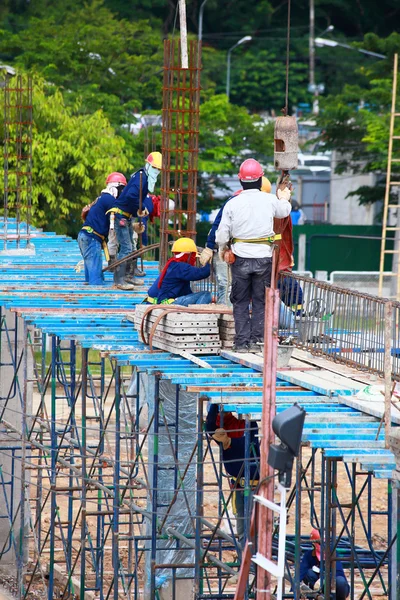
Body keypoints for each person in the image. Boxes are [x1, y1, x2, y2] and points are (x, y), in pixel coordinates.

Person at [215, 158, 292, 353]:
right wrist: (284, 196)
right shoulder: (269, 200)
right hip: (263, 259)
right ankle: (257, 343)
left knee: (240, 302)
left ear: (241, 181)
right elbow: (284, 211)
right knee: (260, 302)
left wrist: (223, 249)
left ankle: (241, 344)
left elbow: (222, 233)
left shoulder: (233, 203)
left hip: (240, 259)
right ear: (260, 180)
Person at [199, 177, 272, 306]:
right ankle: (224, 316)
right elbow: (218, 224)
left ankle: (231, 316)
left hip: (235, 250)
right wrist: (210, 247)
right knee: (225, 283)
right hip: (221, 247)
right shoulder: (235, 201)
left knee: (233, 285)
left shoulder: (253, 205)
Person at [205, 404, 259, 547]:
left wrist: (230, 442)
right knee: (242, 530)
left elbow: (246, 444)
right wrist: (215, 403)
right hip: (238, 487)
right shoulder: (221, 432)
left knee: (253, 530)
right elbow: (209, 427)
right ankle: (245, 566)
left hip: (254, 486)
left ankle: (254, 565)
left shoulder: (247, 425)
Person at [108, 152, 162, 290]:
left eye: (159, 169)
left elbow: (135, 199)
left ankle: (128, 276)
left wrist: (137, 214)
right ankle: (119, 280)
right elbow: (132, 197)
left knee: (131, 248)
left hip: (126, 215)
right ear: (148, 165)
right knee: (126, 248)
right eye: (155, 168)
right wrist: (142, 208)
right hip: (121, 215)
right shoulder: (141, 178)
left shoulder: (143, 177)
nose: (157, 171)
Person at [78, 172, 127, 286]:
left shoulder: (101, 198)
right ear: (115, 187)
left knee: (92, 272)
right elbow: (120, 214)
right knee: (96, 281)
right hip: (91, 238)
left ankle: (90, 295)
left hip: (86, 236)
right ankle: (95, 300)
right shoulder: (108, 199)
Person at [145, 237, 212, 306]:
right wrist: (210, 262)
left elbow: (187, 293)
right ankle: (197, 316)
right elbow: (202, 273)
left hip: (155, 302)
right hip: (164, 303)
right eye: (193, 256)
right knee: (206, 294)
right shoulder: (180, 267)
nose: (194, 259)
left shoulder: (173, 264)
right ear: (189, 255)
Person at [300, 529, 350, 600]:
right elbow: (301, 572)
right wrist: (295, 588)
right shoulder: (309, 555)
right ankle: (319, 596)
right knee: (308, 573)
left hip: (334, 586)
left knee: (340, 581)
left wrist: (323, 579)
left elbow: (338, 573)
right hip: (319, 587)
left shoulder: (333, 554)